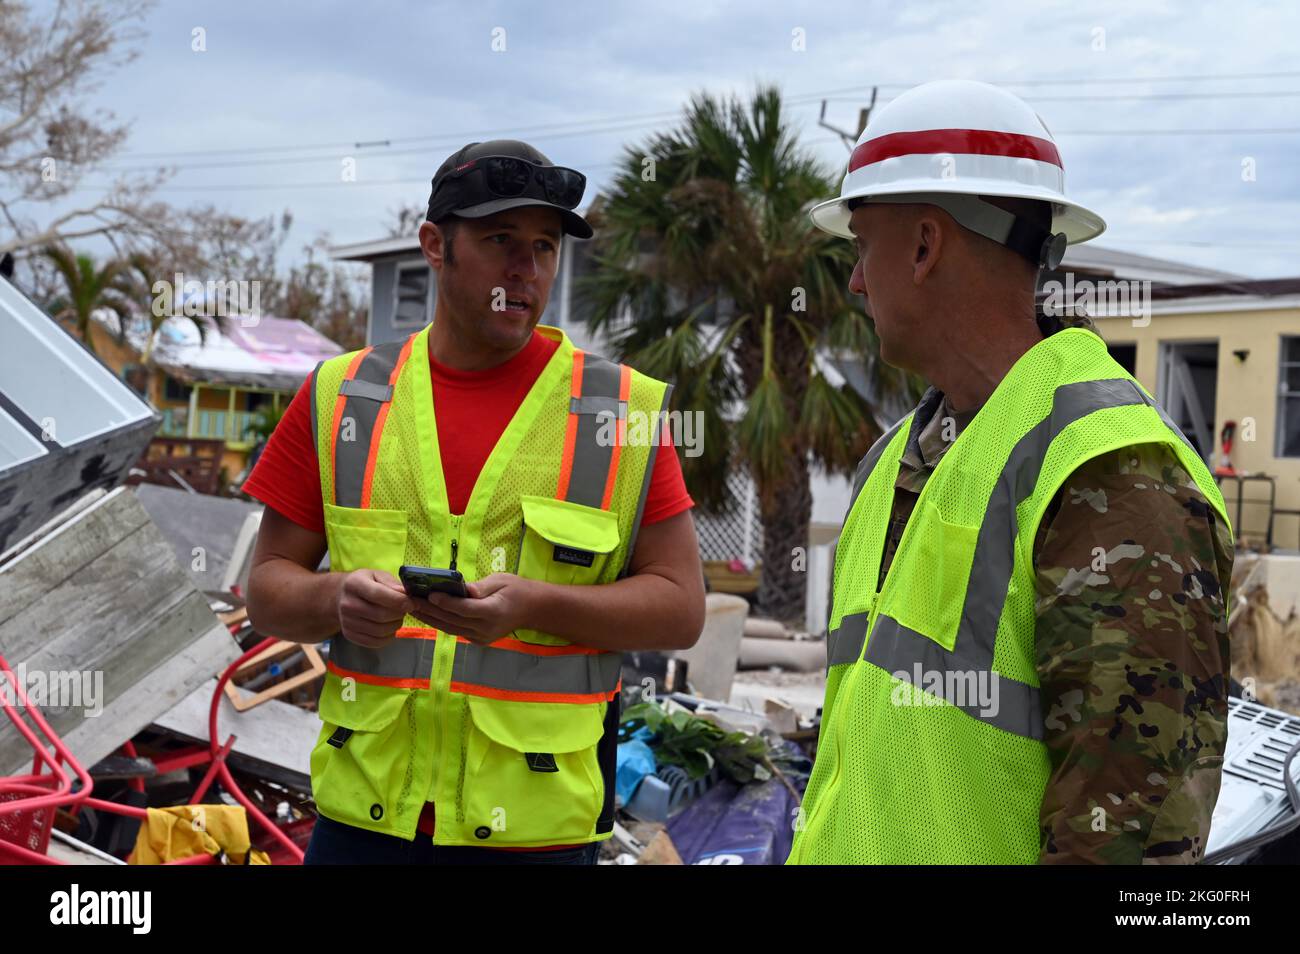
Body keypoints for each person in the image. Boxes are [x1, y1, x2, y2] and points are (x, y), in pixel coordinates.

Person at [786, 81, 1234, 864]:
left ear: (925, 246)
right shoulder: (896, 459)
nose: (855, 281)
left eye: (861, 246)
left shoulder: (1115, 475)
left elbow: (1131, 850)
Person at [243, 140, 705, 864]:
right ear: (435, 245)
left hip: (537, 836)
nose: (525, 271)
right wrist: (336, 597)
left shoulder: (623, 409)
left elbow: (680, 609)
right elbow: (267, 591)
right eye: (499, 241)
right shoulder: (343, 396)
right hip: (365, 828)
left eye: (544, 247)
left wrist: (535, 604)